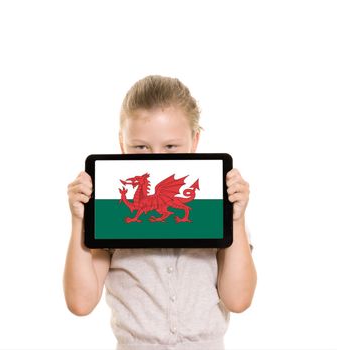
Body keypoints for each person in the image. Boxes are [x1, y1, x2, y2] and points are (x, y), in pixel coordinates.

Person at [64, 75, 257, 350]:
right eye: (140, 147)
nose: (156, 158)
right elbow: (80, 303)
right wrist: (79, 220)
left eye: (171, 147)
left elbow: (238, 300)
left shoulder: (216, 206)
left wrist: (236, 219)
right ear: (122, 144)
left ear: (195, 141)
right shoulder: (110, 212)